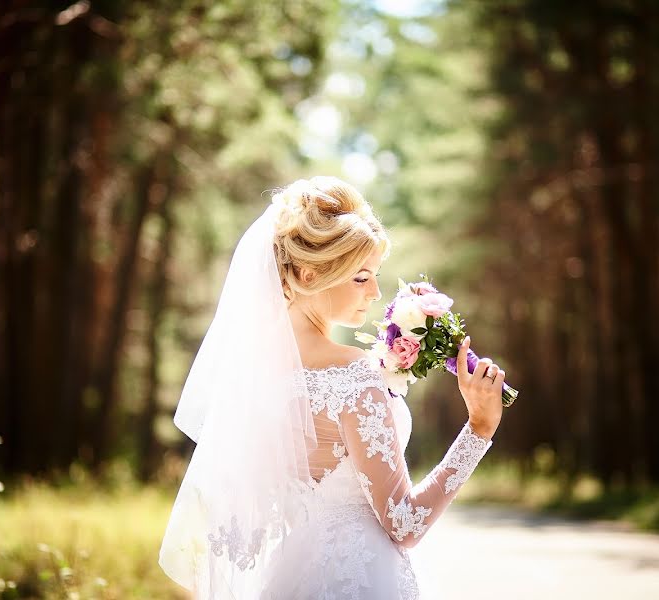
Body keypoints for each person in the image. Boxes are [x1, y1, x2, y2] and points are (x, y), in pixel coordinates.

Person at [159, 176, 507, 599]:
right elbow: (404, 522)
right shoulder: (353, 375)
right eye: (361, 278)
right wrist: (479, 430)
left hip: (289, 576)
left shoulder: (254, 372)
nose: (376, 292)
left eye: (375, 275)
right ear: (309, 273)